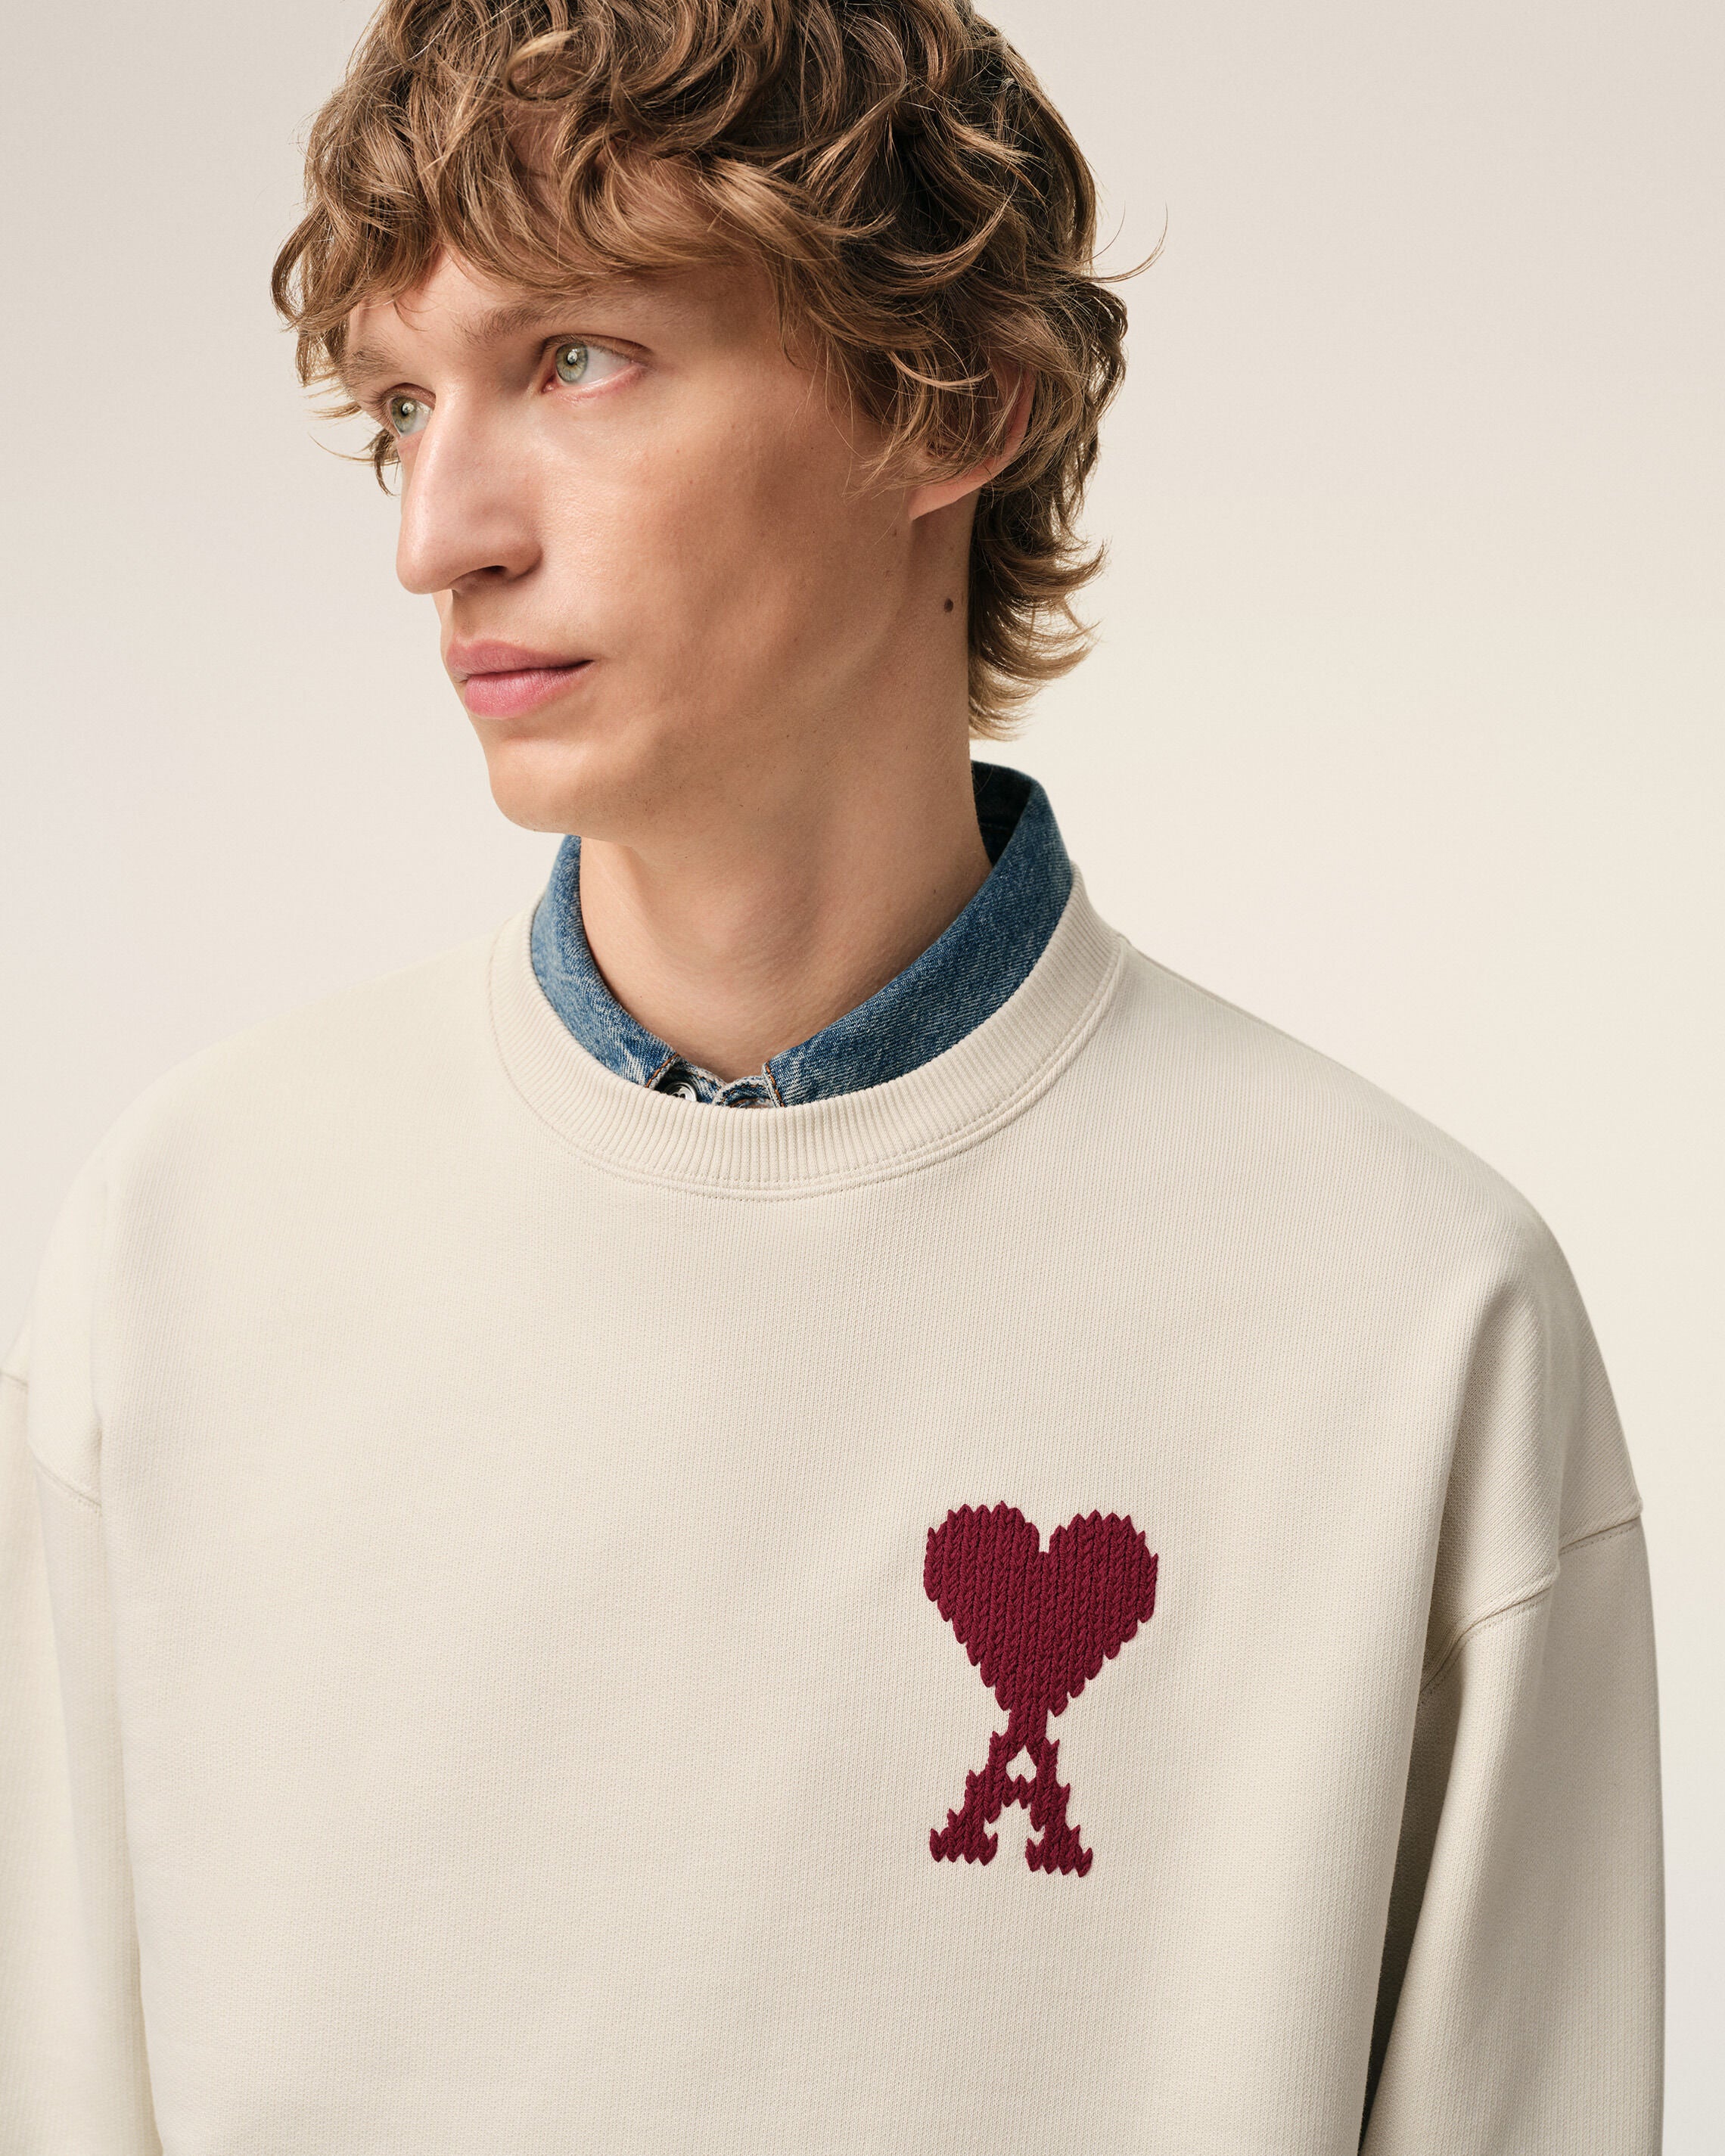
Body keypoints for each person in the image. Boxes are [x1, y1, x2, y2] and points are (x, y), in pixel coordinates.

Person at [0, 2, 1662, 2148]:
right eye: (403, 402)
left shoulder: (1407, 1317)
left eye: (576, 359)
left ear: (956, 398)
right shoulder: (185, 1250)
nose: (438, 532)